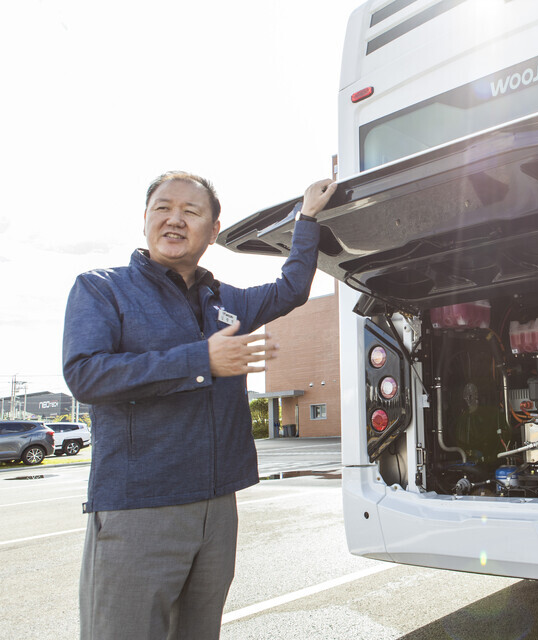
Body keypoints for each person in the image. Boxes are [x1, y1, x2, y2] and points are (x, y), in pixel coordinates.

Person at [62, 170, 336, 639]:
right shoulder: (102, 289)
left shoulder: (225, 300)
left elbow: (291, 289)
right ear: (144, 220)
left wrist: (306, 216)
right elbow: (86, 375)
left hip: (216, 506)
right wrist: (200, 359)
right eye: (163, 208)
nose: (175, 219)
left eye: (191, 212)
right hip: (139, 506)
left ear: (213, 230)